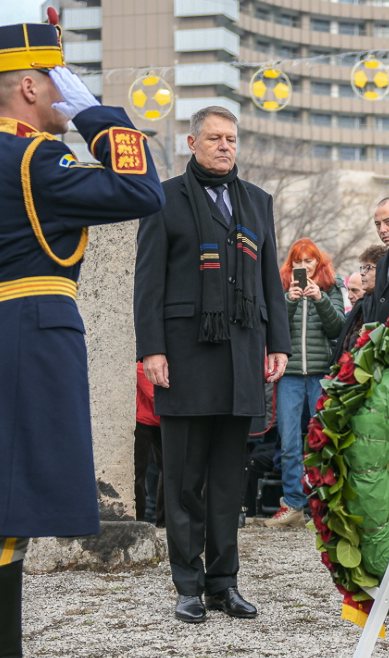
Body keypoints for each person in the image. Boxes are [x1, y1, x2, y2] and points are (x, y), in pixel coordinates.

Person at [0, 18, 165, 658]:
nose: (61, 92)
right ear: (31, 85)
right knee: (3, 515)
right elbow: (144, 192)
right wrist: (95, 117)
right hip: (33, 333)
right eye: (55, 81)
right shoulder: (32, 162)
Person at [134, 104, 290, 625]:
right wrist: (151, 349)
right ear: (192, 142)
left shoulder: (258, 202)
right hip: (183, 357)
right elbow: (148, 281)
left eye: (232, 138)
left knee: (228, 482)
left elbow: (270, 278)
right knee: (181, 481)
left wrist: (279, 344)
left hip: (242, 356)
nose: (226, 146)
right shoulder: (164, 198)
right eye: (216, 138)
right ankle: (187, 584)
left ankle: (225, 584)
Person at [266, 238, 345, 529]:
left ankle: (324, 506)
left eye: (308, 261)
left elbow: (338, 327)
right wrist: (289, 299)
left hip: (321, 374)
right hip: (289, 374)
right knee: (288, 442)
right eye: (297, 262)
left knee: (323, 441)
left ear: (318, 263)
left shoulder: (331, 285)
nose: (303, 267)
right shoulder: (282, 287)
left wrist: (319, 299)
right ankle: (294, 505)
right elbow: (274, 328)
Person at [334, 244, 389, 359]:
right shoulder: (362, 306)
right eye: (363, 268)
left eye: (368, 268)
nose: (362, 272)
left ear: (384, 270)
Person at [135, 361, 164, 526]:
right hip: (143, 419)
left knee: (170, 473)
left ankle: (165, 521)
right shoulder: (143, 362)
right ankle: (137, 520)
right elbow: (153, 393)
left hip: (164, 419)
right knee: (138, 472)